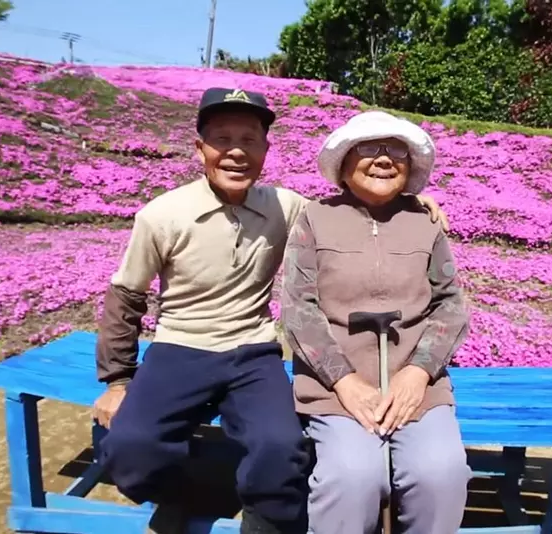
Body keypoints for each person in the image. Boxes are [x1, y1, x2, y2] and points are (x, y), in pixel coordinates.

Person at [92, 89, 450, 534]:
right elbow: (126, 296)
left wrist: (412, 203)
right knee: (129, 447)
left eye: (250, 139)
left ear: (265, 149)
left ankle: (265, 524)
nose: (236, 151)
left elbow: (357, 204)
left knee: (281, 448)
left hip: (253, 353)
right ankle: (190, 492)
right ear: (199, 147)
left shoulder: (287, 206)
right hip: (179, 348)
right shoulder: (162, 215)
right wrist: (116, 381)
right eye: (222, 139)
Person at [281, 110, 473, 534]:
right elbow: (298, 307)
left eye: (396, 151)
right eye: (368, 148)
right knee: (352, 478)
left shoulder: (425, 223)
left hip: (415, 387)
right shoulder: (315, 218)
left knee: (441, 475)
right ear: (344, 164)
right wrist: (344, 381)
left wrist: (418, 373)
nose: (384, 158)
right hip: (335, 388)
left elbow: (450, 305)